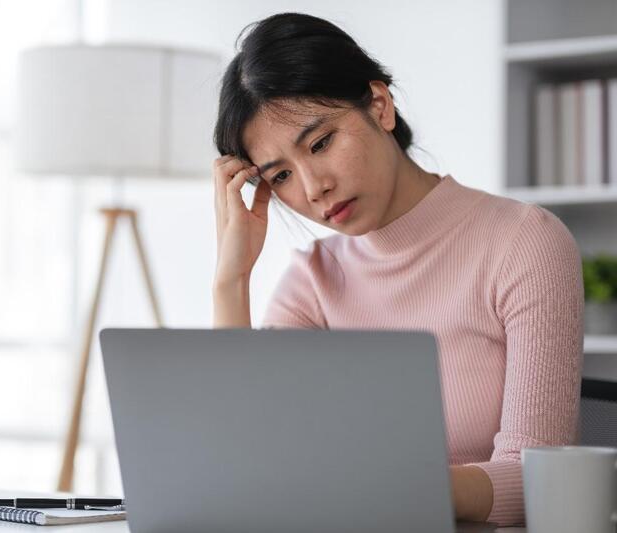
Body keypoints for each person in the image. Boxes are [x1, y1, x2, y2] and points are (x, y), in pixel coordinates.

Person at [211, 12, 583, 528]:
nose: (313, 187)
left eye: (320, 143)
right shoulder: (311, 283)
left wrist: (388, 484)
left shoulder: (523, 242)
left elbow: (536, 480)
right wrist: (232, 279)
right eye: (281, 176)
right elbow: (244, 469)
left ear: (379, 106)